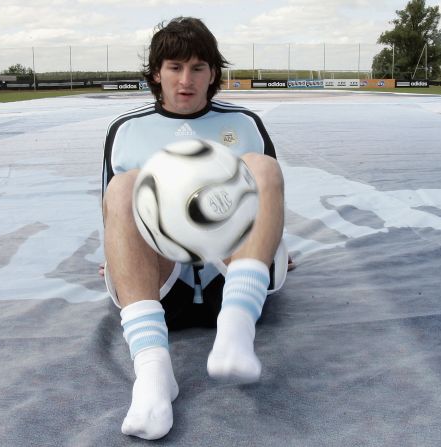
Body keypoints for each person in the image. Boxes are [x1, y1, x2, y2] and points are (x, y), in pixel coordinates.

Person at [101, 16, 290, 440]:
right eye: (174, 67)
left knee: (260, 166)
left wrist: (275, 246)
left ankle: (236, 329)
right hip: (164, 287)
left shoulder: (244, 124)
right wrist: (114, 257)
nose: (186, 80)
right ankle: (152, 373)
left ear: (213, 74)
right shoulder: (126, 131)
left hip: (234, 277)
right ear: (157, 73)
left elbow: (269, 200)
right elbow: (112, 213)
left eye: (198, 67)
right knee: (125, 186)